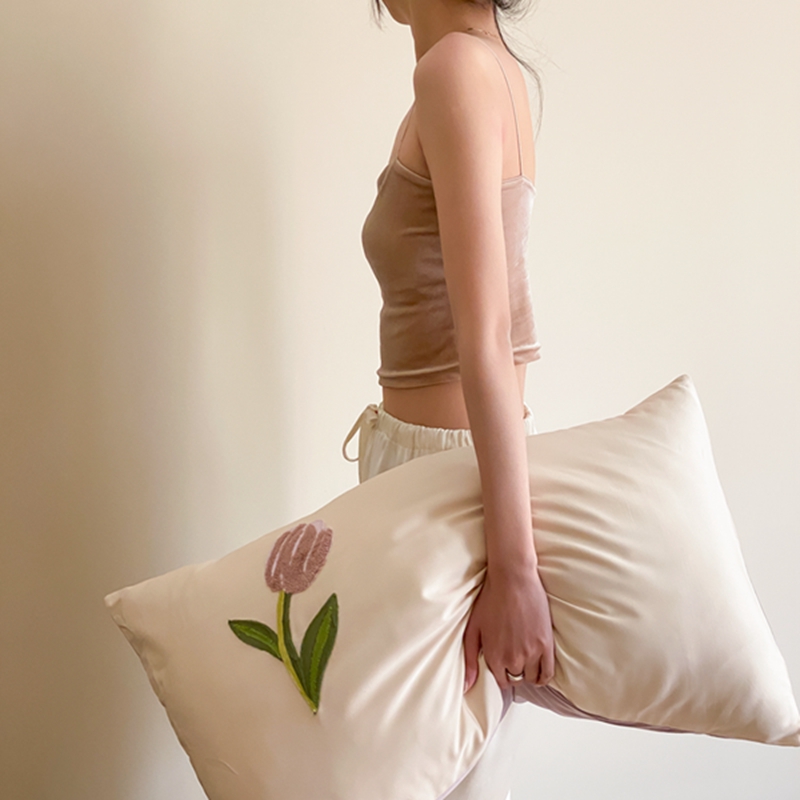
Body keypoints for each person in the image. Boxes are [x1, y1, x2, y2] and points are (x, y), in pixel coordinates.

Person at [341, 1, 555, 797]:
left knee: (434, 776)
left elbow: (488, 337)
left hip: (442, 488)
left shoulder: (455, 70)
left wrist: (516, 570)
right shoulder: (488, 67)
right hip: (448, 478)